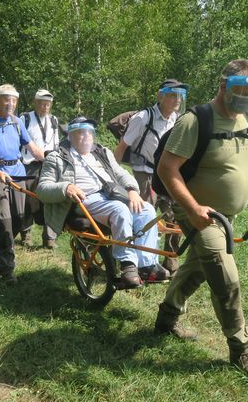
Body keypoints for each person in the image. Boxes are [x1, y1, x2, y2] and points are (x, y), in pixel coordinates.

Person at [153, 59, 248, 381]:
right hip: (198, 213)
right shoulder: (196, 121)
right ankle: (242, 347)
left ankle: (166, 318)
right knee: (225, 276)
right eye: (242, 92)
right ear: (223, 86)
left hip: (227, 216)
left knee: (197, 268)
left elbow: (247, 163)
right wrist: (193, 209)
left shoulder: (244, 120)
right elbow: (167, 169)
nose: (247, 99)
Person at [37, 116, 169, 288]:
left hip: (112, 195)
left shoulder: (102, 152)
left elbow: (121, 173)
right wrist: (66, 187)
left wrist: (132, 190)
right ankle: (127, 264)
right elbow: (42, 189)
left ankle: (146, 265)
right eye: (79, 133)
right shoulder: (56, 157)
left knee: (148, 210)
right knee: (120, 210)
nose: (85, 137)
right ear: (70, 136)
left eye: (89, 133)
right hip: (84, 200)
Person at [113, 79, 187, 277]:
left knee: (173, 217)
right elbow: (122, 147)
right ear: (160, 96)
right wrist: (111, 175)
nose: (177, 99)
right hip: (144, 173)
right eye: (172, 95)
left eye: (179, 95)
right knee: (145, 217)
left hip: (167, 174)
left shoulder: (177, 119)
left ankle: (171, 260)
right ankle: (141, 263)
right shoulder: (143, 117)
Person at [0, 84, 45, 284]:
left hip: (18, 173)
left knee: (20, 218)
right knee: (4, 218)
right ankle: (7, 269)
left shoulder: (16, 122)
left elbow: (32, 148)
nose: (10, 104)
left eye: (14, 100)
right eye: (6, 99)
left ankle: (0, 248)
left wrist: (49, 160)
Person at [19, 89, 61, 249]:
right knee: (28, 201)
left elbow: (56, 143)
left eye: (48, 104)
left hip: (49, 165)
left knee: (49, 201)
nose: (45, 107)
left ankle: (49, 238)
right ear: (35, 103)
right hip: (29, 166)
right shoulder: (25, 118)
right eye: (42, 104)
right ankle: (26, 234)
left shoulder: (54, 120)